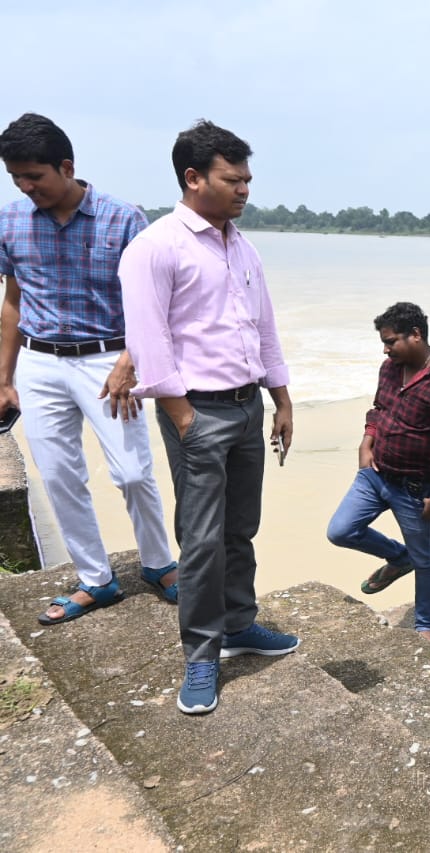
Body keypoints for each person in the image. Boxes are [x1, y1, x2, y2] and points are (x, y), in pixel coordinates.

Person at [120, 120, 299, 715]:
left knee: (240, 528)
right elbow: (148, 337)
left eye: (247, 179)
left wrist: (281, 398)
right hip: (198, 411)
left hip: (248, 407)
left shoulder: (241, 246)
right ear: (193, 178)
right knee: (200, 540)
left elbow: (263, 326)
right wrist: (181, 414)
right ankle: (201, 656)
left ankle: (241, 626)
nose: (245, 189)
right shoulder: (157, 246)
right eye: (233, 179)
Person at [0, 112, 176, 625]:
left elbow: (152, 303)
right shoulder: (10, 221)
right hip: (39, 361)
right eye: (17, 178)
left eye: (36, 176)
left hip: (108, 360)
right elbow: (12, 301)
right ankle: (96, 579)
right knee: (59, 476)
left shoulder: (124, 219)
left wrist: (129, 361)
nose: (27, 187)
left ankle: (159, 563)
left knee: (134, 473)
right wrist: (5, 378)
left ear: (67, 166)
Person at [326, 301, 430, 643]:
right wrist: (367, 441)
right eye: (384, 341)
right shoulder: (390, 368)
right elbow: (380, 408)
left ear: (416, 335)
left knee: (425, 560)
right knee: (340, 530)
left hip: (414, 487)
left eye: (391, 341)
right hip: (375, 474)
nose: (385, 348)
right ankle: (397, 556)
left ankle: (424, 625)